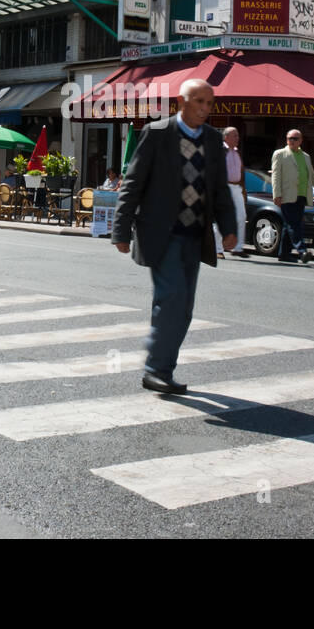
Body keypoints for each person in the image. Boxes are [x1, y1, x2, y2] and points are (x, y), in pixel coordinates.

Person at [113, 79, 236, 395]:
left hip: (195, 237)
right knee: (173, 298)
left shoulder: (212, 139)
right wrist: (121, 229)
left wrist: (229, 228)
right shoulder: (157, 134)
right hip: (161, 234)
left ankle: (162, 370)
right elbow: (133, 183)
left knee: (183, 308)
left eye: (210, 103)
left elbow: (220, 189)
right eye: (199, 102)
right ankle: (156, 369)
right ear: (182, 101)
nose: (205, 109)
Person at [271, 129, 314, 263]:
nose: (291, 141)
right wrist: (277, 194)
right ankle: (302, 251)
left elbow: (313, 177)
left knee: (288, 225)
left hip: (301, 195)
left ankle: (284, 254)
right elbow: (275, 176)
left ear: (300, 140)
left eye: (295, 138)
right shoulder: (280, 154)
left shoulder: (306, 156)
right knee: (294, 224)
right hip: (287, 195)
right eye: (289, 138)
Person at [213, 127, 248, 258]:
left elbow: (241, 172)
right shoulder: (220, 151)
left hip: (236, 188)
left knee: (241, 217)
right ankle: (218, 249)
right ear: (226, 137)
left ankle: (238, 248)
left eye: (238, 135)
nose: (237, 138)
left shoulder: (237, 152)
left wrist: (243, 189)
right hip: (223, 188)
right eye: (235, 136)